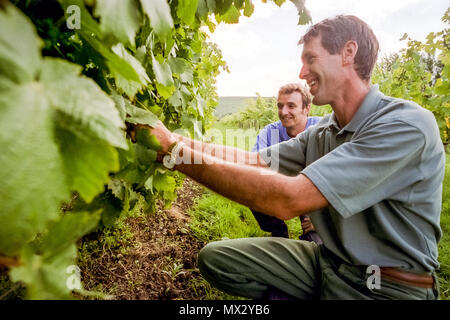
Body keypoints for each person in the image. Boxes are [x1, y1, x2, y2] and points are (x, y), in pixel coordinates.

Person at [135, 15, 445, 299]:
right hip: (328, 262)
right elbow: (253, 160)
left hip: (385, 286)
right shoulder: (326, 129)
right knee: (217, 259)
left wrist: (173, 154)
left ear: (348, 53)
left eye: (311, 58)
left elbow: (288, 200)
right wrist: (173, 139)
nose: (302, 72)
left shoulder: (405, 125)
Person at [251, 83, 322, 243]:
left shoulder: (322, 128)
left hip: (314, 194)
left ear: (306, 108)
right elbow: (254, 167)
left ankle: (312, 230)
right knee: (250, 187)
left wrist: (324, 218)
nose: (283, 112)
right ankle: (278, 229)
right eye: (280, 106)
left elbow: (339, 174)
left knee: (317, 245)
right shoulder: (270, 132)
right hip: (281, 188)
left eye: (291, 106)